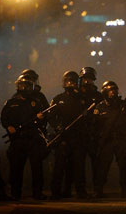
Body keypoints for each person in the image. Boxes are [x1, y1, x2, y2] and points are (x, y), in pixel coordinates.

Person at [1, 75, 49, 200]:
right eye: (22, 85)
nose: (24, 88)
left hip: (33, 139)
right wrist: (8, 126)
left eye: (27, 85)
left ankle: (37, 192)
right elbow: (4, 117)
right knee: (16, 167)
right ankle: (16, 193)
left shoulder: (36, 102)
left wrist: (40, 118)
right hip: (18, 139)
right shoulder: (11, 102)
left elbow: (44, 120)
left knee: (36, 167)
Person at [49, 71, 88, 199]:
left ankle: (79, 191)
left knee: (78, 166)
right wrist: (58, 127)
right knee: (59, 166)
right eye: (69, 81)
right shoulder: (58, 99)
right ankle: (55, 192)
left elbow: (87, 120)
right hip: (63, 137)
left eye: (73, 81)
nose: (71, 84)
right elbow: (51, 117)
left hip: (77, 138)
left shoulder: (82, 99)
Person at [92, 81, 126, 198]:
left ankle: (125, 190)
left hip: (120, 139)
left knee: (123, 165)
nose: (113, 93)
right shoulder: (100, 107)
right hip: (107, 140)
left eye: (114, 90)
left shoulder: (123, 105)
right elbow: (95, 126)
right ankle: (99, 190)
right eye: (110, 91)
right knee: (103, 166)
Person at [77, 67, 103, 198]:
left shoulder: (98, 96)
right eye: (85, 79)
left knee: (96, 164)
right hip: (80, 133)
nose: (87, 82)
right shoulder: (76, 95)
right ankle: (80, 190)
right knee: (79, 164)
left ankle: (98, 189)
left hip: (93, 133)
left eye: (89, 79)